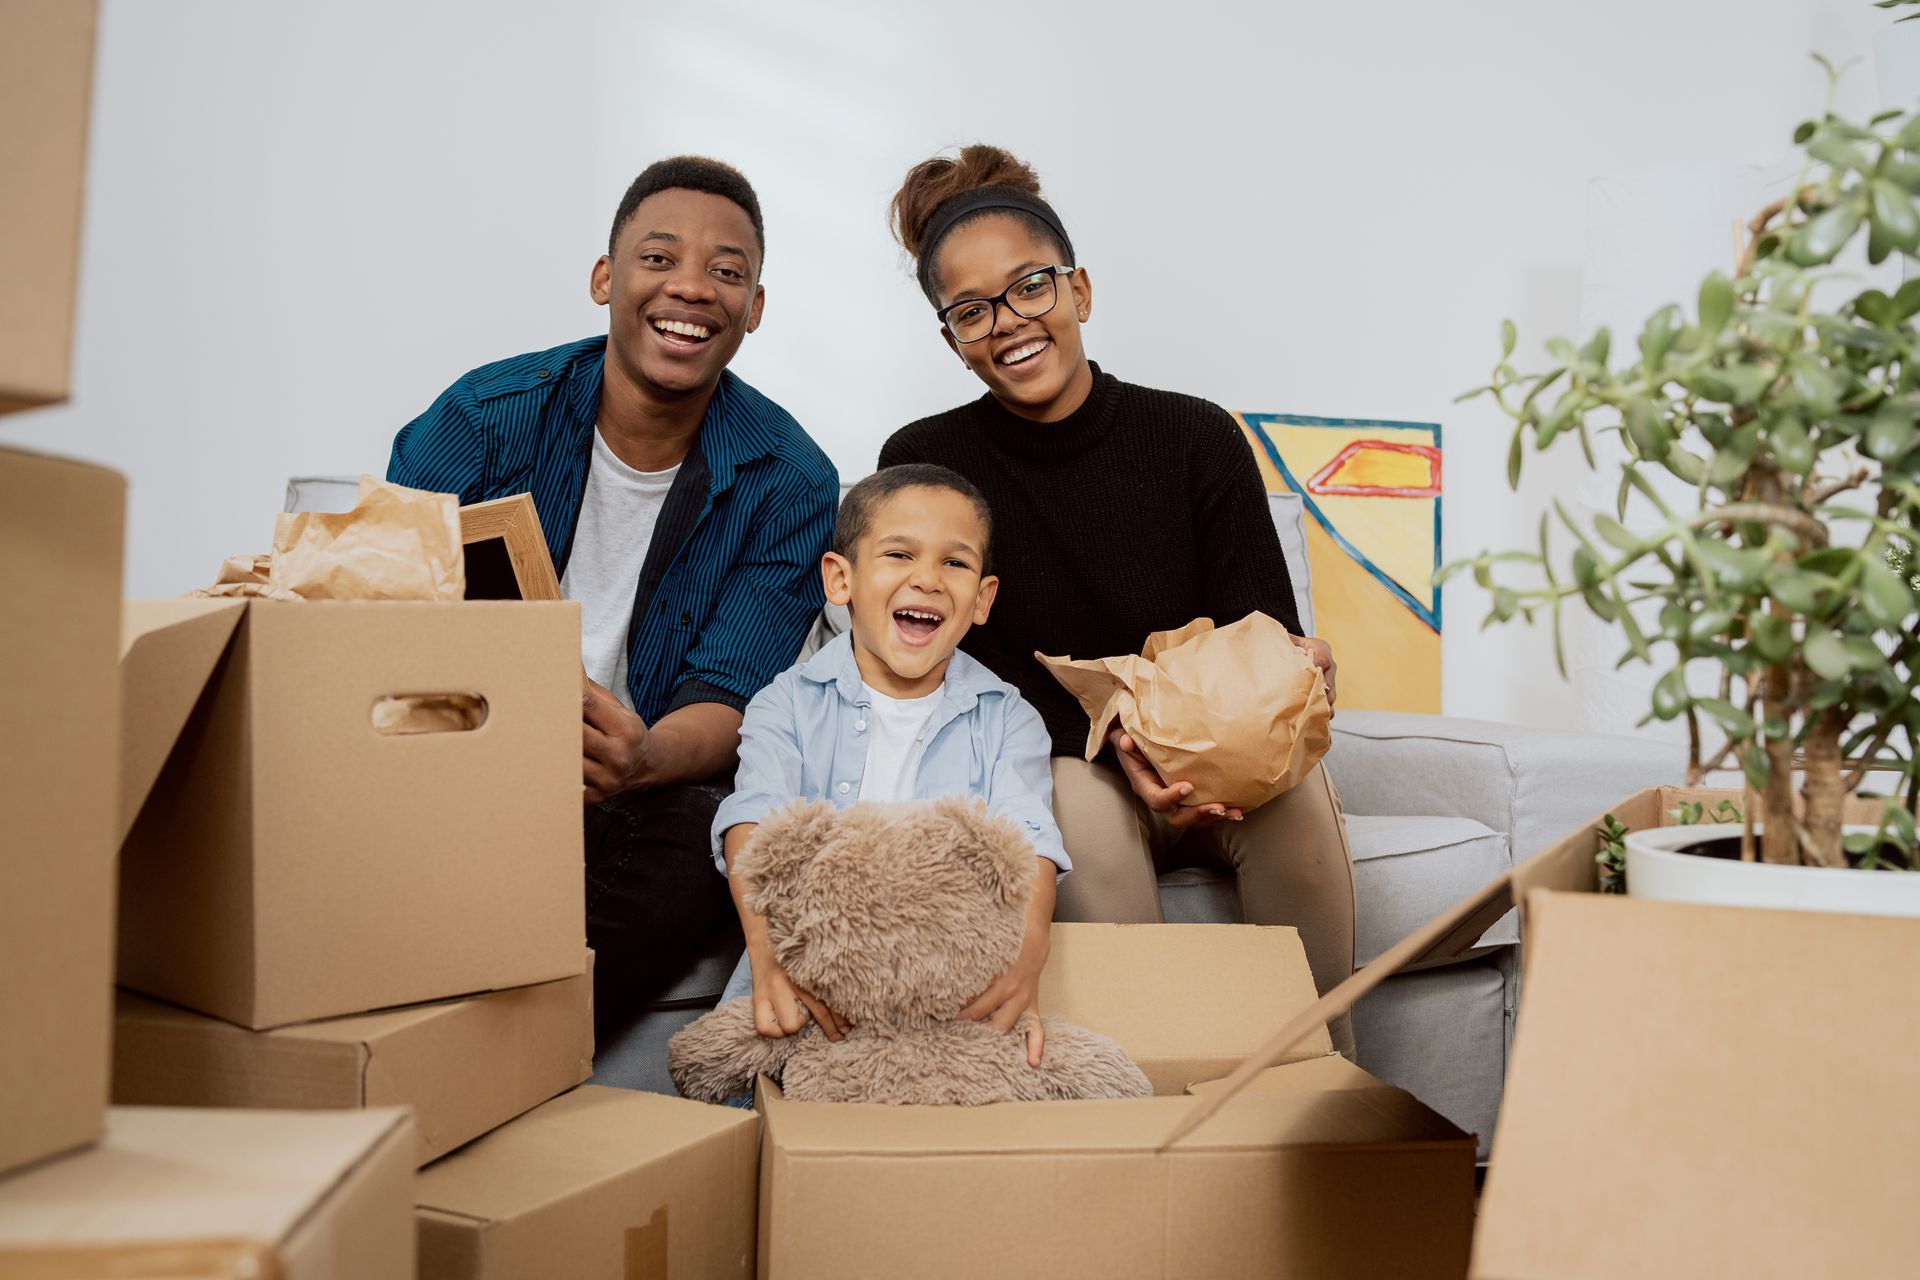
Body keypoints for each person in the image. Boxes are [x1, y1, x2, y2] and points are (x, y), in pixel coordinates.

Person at [878, 146, 1358, 1055]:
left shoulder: (1195, 436)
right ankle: (1148, 1104)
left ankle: (1316, 1088)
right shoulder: (924, 463)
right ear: (950, 338)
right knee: (1082, 811)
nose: (1010, 323)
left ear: (1079, 291)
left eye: (1030, 288)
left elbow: (1259, 629)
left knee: (1296, 802)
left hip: (1219, 743)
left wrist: (1294, 677)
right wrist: (1124, 748)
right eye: (973, 310)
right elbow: (947, 666)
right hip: (1073, 757)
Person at [388, 156, 838, 1043]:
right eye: (659, 258)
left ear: (753, 310)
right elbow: (381, 618)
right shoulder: (483, 418)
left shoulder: (789, 478)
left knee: (717, 836)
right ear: (606, 279)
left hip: (636, 789)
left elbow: (729, 696)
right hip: (452, 758)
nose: (693, 288)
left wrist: (639, 757)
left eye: (728, 272)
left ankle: (490, 1051)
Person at [710, 465, 1069, 1068]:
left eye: (955, 563)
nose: (927, 580)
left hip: (950, 984)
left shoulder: (1008, 718)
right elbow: (755, 822)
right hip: (807, 968)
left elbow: (1028, 840)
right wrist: (767, 950)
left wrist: (1029, 952)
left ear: (982, 599)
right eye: (899, 554)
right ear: (840, 579)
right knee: (742, 1077)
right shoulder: (786, 703)